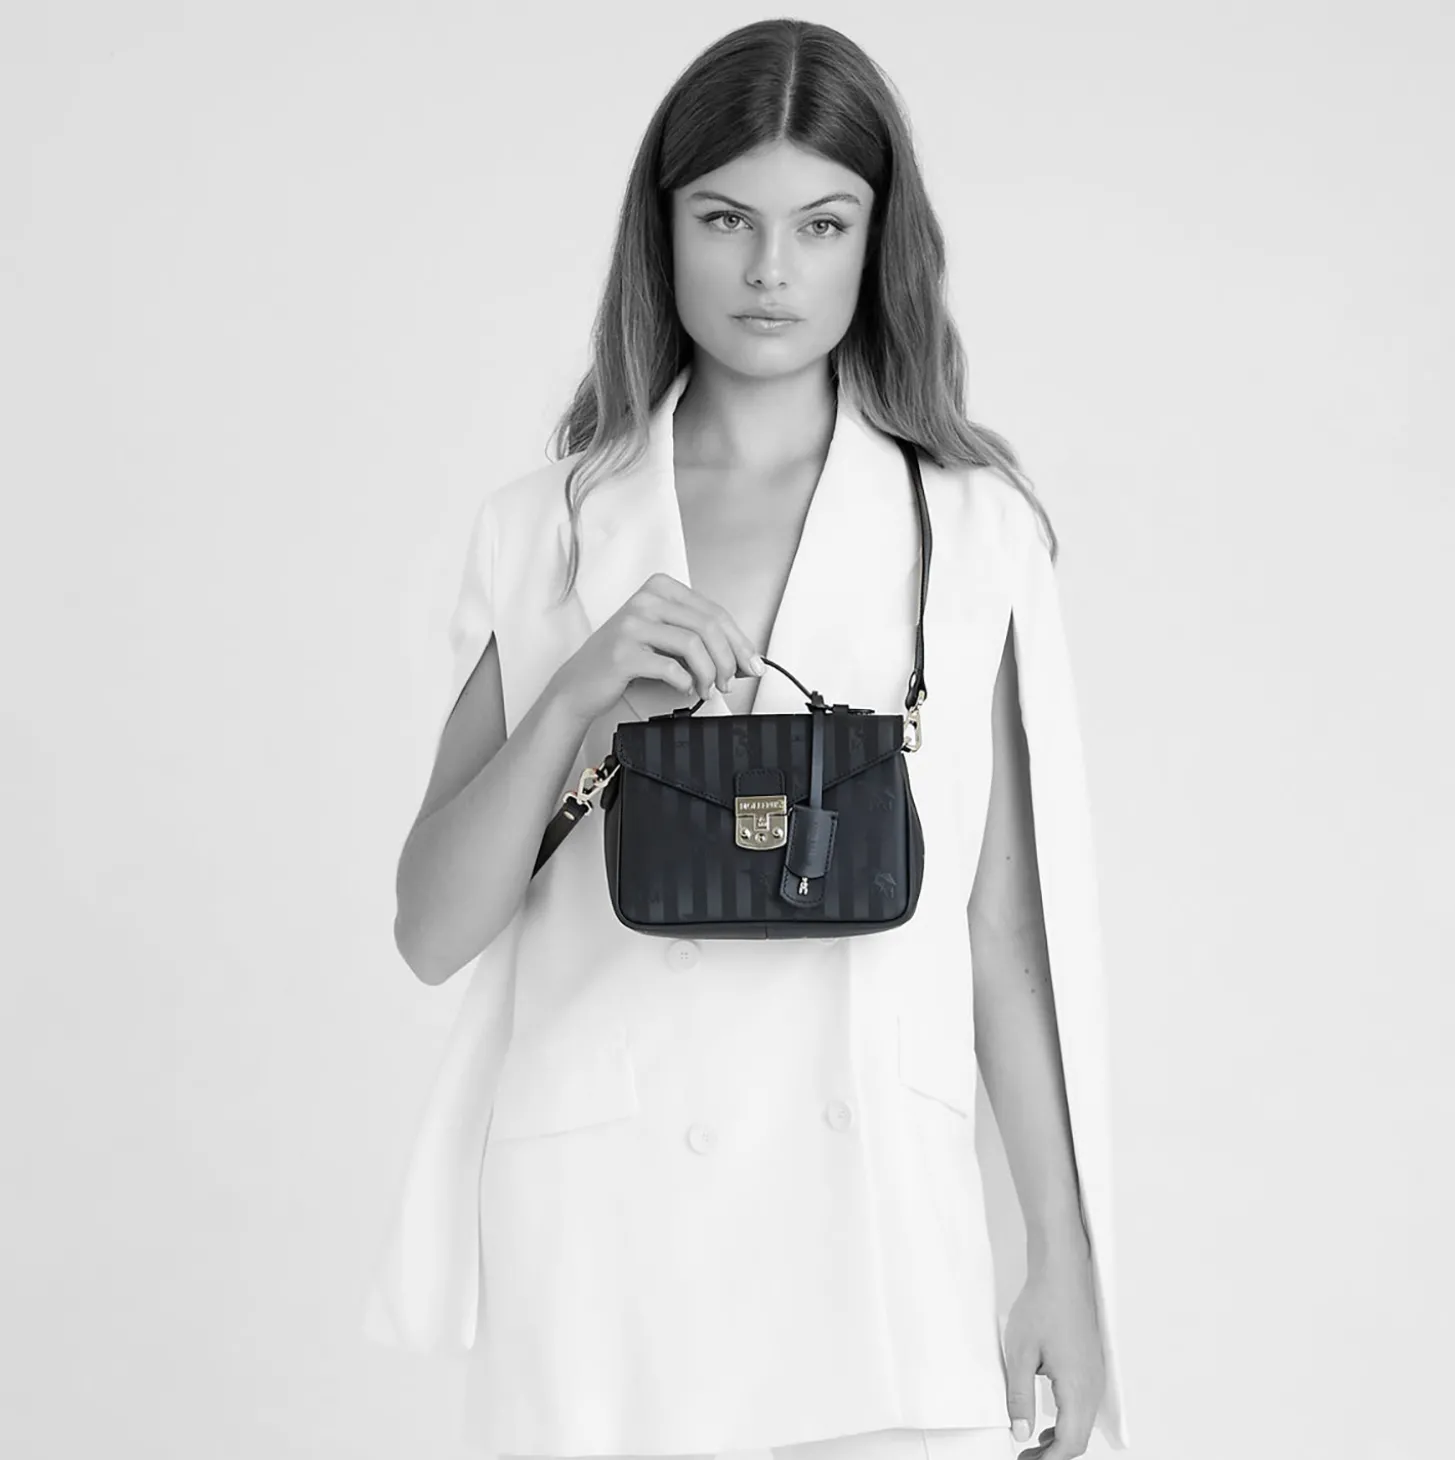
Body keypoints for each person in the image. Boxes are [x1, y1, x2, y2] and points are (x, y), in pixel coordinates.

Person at [366, 18, 1130, 1460]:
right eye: (726, 219)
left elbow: (1003, 937)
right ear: (660, 234)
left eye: (820, 224)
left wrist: (1062, 1259)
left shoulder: (972, 531)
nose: (771, 269)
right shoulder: (547, 532)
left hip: (879, 1245)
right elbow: (428, 928)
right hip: (608, 1258)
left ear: (877, 243)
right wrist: (579, 694)